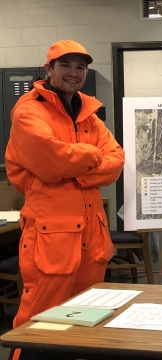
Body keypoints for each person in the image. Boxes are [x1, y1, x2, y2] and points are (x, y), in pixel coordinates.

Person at [5, 40, 125, 360]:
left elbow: (115, 162)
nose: (74, 73)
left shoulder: (88, 114)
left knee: (85, 317)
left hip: (91, 234)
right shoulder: (29, 110)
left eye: (80, 67)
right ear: (49, 69)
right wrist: (89, 156)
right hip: (51, 235)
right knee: (40, 319)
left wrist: (74, 169)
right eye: (66, 65)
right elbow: (50, 161)